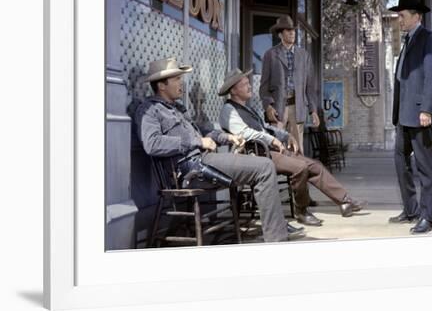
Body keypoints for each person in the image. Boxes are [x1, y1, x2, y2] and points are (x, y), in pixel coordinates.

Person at [134, 57, 305, 243]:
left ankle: (276, 229)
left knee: (264, 165)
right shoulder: (149, 111)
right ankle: (277, 239)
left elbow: (206, 131)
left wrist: (229, 137)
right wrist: (197, 141)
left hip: (203, 161)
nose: (181, 83)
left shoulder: (178, 109)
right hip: (189, 171)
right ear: (161, 85)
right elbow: (152, 144)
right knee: (264, 167)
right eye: (176, 79)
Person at [219, 68, 367, 226]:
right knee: (300, 168)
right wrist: (272, 140)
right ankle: (301, 211)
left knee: (314, 166)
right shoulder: (228, 111)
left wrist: (286, 136)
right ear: (234, 90)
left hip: (268, 151)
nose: (249, 86)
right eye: (245, 84)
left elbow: (265, 129)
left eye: (249, 83)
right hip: (254, 156)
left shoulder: (247, 108)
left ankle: (345, 201)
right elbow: (246, 134)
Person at [388, 0, 432, 234]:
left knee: (426, 168)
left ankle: (428, 216)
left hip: (420, 115)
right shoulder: (407, 41)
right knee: (401, 163)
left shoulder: (428, 39)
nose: (399, 19)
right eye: (398, 15)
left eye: (402, 15)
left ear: (416, 16)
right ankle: (411, 210)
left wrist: (427, 109)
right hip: (403, 117)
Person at [259, 15, 320, 155]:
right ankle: (277, 175)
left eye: (293, 30)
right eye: (288, 30)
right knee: (277, 145)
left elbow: (310, 87)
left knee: (298, 148)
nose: (292, 33)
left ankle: (299, 175)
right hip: (278, 108)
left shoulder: (304, 55)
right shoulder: (271, 55)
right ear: (280, 34)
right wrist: (268, 106)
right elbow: (264, 86)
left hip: (298, 106)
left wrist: (313, 111)